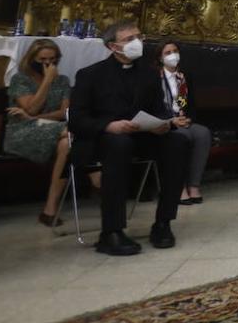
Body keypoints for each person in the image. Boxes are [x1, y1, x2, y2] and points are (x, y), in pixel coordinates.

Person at [68, 20, 188, 256]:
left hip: (142, 136)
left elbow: (159, 109)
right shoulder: (90, 75)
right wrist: (109, 126)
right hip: (103, 139)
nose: (137, 42)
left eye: (139, 37)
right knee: (119, 144)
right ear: (113, 47)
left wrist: (164, 123)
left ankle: (163, 223)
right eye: (129, 39)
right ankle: (111, 231)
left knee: (178, 142)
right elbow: (77, 120)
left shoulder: (149, 74)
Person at [3, 39, 71, 226]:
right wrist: (47, 81)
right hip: (22, 132)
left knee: (67, 143)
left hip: (54, 130)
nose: (48, 64)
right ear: (32, 59)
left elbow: (64, 113)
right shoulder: (20, 79)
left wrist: (34, 118)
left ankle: (50, 208)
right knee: (71, 135)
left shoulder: (63, 80)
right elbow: (32, 107)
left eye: (52, 59)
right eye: (42, 60)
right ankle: (97, 179)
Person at [156, 41, 212, 205]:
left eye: (175, 51)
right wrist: (171, 120)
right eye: (168, 52)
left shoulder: (184, 77)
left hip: (182, 119)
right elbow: (153, 105)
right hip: (165, 121)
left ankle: (194, 185)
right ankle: (177, 187)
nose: (173, 55)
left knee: (202, 133)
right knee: (182, 135)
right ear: (160, 58)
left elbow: (191, 103)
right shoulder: (155, 77)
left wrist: (188, 118)